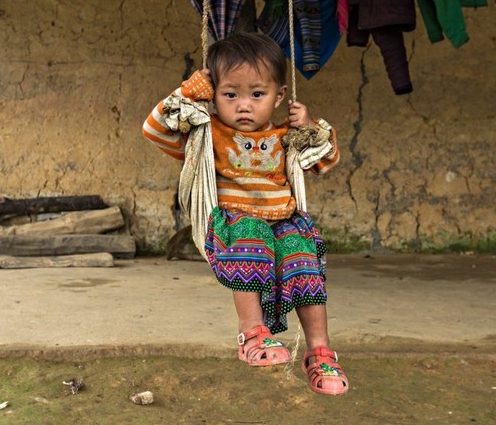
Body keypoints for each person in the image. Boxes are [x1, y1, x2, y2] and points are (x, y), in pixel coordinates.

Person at [142, 32, 348, 395]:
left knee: (303, 261)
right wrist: (188, 93)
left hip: (283, 220)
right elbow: (154, 130)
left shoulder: (288, 136)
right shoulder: (207, 134)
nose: (244, 105)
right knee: (252, 236)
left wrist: (311, 128)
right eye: (230, 94)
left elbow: (326, 161)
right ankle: (252, 333)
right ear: (214, 95)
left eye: (257, 94)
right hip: (235, 223)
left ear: (279, 96)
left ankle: (320, 351)